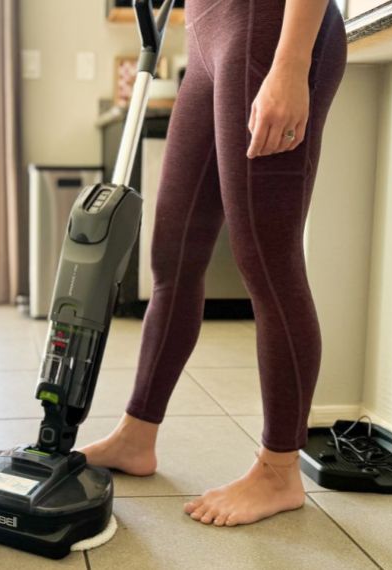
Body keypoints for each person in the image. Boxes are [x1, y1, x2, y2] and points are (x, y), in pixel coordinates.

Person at [80, 0, 348, 527]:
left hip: (270, 25)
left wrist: (290, 65)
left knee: (268, 261)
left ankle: (279, 470)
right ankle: (138, 434)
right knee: (171, 256)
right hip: (210, 33)